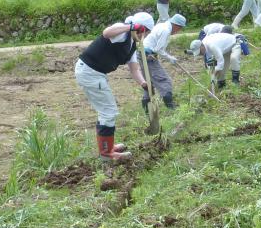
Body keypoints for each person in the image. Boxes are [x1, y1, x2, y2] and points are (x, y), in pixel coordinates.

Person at [75, 12, 154, 161]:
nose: (146, 36)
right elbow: (106, 33)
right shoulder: (122, 31)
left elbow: (134, 69)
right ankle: (106, 154)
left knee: (106, 111)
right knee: (108, 112)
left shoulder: (132, 44)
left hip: (95, 73)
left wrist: (144, 84)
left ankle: (107, 147)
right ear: (142, 29)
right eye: (147, 32)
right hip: (90, 72)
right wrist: (130, 26)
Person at [141, 14, 187, 111]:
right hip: (148, 56)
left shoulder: (161, 25)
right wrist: (170, 58)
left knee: (149, 83)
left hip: (142, 54)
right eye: (180, 28)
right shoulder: (166, 30)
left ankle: (147, 110)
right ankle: (170, 107)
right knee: (164, 80)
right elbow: (159, 49)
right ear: (176, 25)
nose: (179, 31)